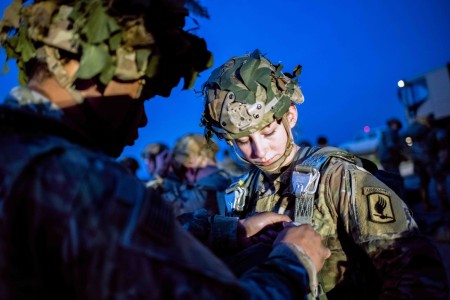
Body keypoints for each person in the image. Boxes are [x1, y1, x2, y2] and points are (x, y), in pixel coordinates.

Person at [0, 1, 331, 299]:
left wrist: (230, 231)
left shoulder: (17, 151)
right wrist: (294, 262)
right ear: (80, 66)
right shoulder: (81, 182)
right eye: (141, 92)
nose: (141, 120)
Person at [192, 49, 448, 299]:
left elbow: (416, 270)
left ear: (290, 115)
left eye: (268, 132)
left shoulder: (337, 176)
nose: (259, 151)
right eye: (243, 141)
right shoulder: (242, 192)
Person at [152, 133, 232, 216]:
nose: (184, 179)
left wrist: (159, 172)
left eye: (182, 171)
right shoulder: (227, 177)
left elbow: (158, 211)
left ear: (190, 169)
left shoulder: (207, 190)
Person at [404, 115, 450, 212]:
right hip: (430, 160)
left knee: (423, 183)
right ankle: (445, 206)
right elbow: (442, 143)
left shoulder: (412, 132)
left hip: (418, 161)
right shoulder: (432, 130)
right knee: (439, 181)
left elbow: (408, 146)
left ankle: (426, 204)